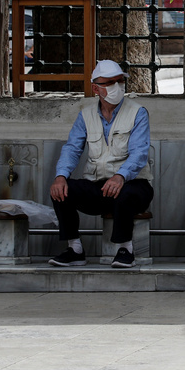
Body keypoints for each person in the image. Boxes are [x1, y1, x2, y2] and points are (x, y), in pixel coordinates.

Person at [49, 60, 153, 268]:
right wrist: (60, 176)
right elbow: (72, 148)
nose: (117, 86)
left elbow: (140, 153)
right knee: (61, 189)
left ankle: (125, 249)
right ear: (96, 89)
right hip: (99, 186)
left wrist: (120, 176)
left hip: (134, 185)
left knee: (125, 193)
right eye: (110, 83)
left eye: (120, 81)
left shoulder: (137, 112)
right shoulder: (85, 115)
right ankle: (75, 249)